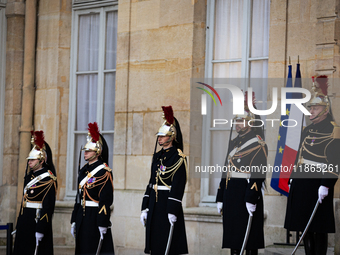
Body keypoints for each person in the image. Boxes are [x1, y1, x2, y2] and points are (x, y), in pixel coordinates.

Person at [284, 76, 340, 255]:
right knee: (305, 227)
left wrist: (326, 184)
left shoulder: (334, 130)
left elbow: (335, 162)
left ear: (325, 109)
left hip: (318, 184)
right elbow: (298, 155)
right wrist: (293, 177)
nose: (311, 111)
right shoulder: (307, 130)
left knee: (319, 228)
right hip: (302, 183)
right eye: (310, 108)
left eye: (315, 108)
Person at [216, 92, 267, 255]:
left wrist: (251, 198)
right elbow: (226, 170)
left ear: (250, 122)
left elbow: (258, 173)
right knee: (234, 239)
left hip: (246, 195)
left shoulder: (258, 143)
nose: (237, 124)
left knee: (249, 240)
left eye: (240, 120)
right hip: (231, 195)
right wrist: (220, 196)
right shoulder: (234, 143)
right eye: (236, 120)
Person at [140, 106, 188, 255]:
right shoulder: (157, 156)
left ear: (172, 136)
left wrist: (172, 210)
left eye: (162, 135)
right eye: (158, 135)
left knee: (168, 245)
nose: (159, 138)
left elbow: (178, 185)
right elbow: (151, 182)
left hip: (167, 205)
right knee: (155, 244)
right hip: (154, 204)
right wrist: (145, 206)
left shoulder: (179, 158)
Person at [70, 122, 114, 255]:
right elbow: (78, 198)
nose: (86, 153)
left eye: (89, 151)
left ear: (97, 152)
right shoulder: (83, 171)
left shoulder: (104, 171)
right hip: (82, 217)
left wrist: (102, 222)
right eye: (85, 150)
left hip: (95, 217)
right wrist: (74, 219)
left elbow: (106, 200)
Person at [13, 130, 57, 255]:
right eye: (29, 159)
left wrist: (41, 229)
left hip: (36, 221)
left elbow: (48, 207)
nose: (29, 162)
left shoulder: (48, 179)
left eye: (32, 160)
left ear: (41, 160)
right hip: (25, 220)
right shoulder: (30, 177)